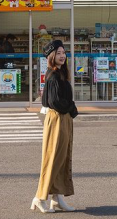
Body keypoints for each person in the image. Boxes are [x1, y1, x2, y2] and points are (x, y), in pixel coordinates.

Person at [31, 40, 78, 213]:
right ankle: (39, 197)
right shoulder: (53, 75)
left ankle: (57, 198)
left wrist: (70, 110)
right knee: (52, 159)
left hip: (63, 118)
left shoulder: (61, 74)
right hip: (57, 118)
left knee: (63, 158)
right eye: (58, 53)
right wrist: (71, 108)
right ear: (51, 56)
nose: (62, 56)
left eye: (63, 52)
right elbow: (53, 102)